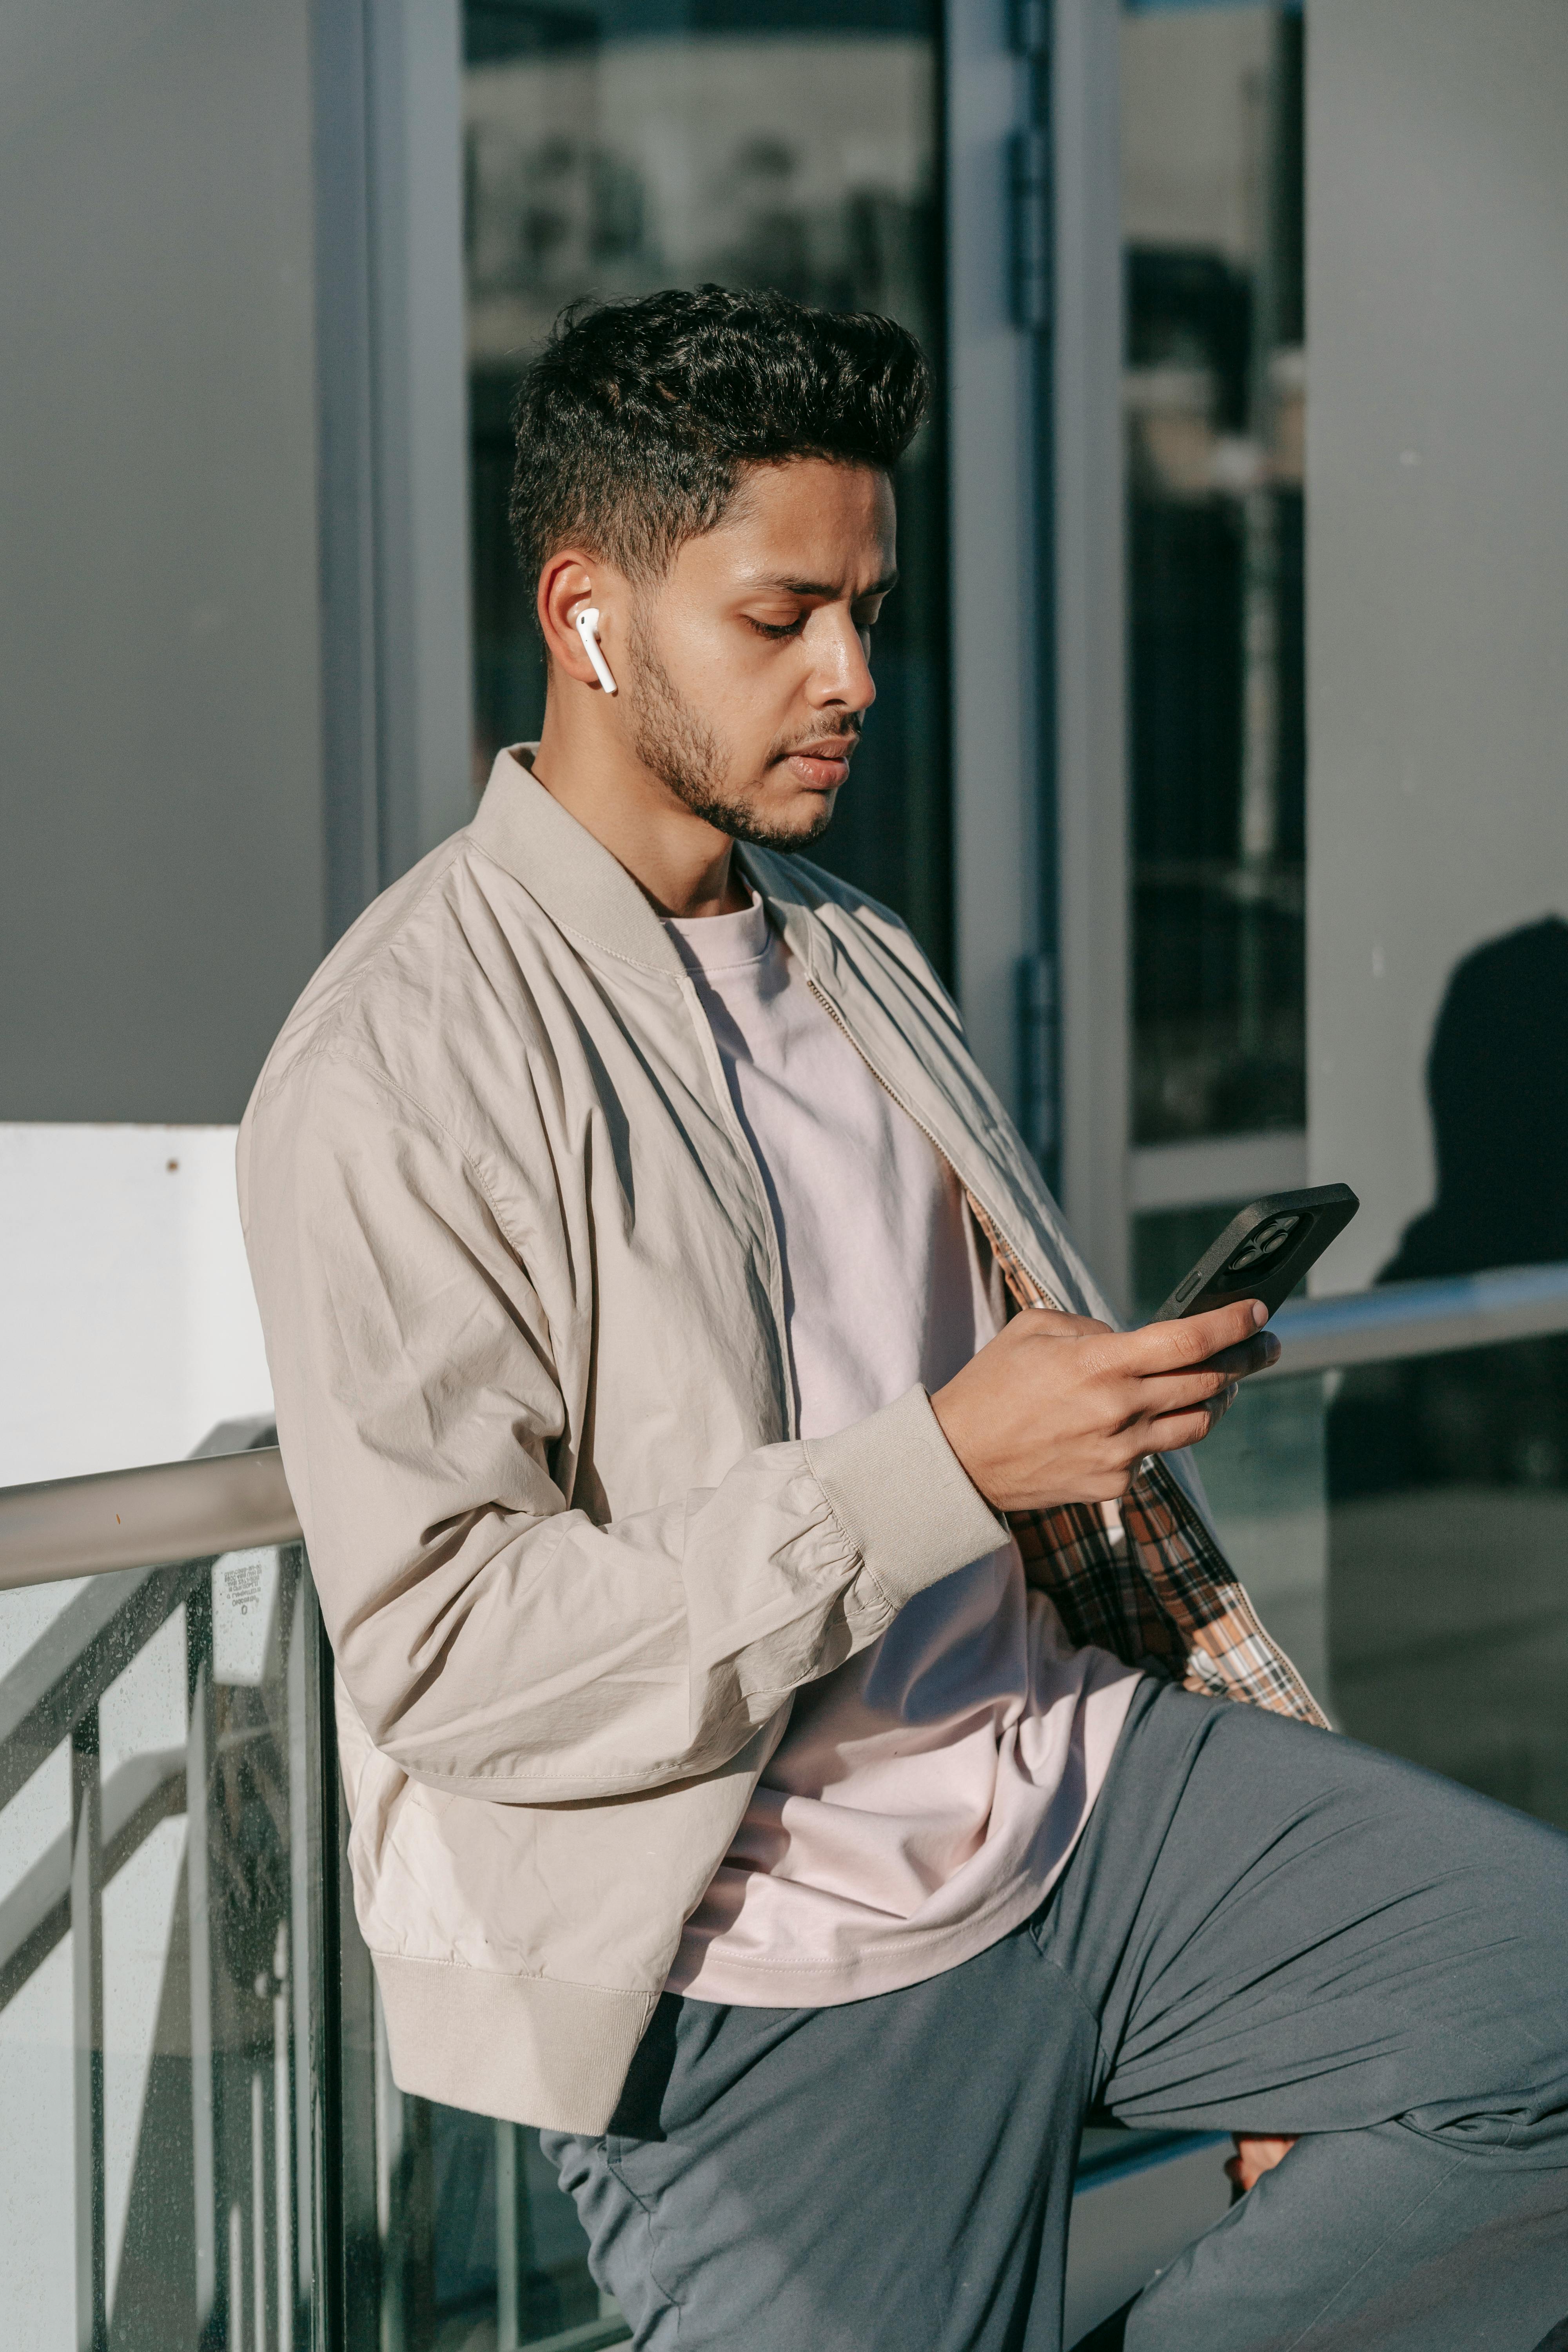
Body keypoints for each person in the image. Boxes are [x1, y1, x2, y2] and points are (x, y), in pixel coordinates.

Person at [239, 288, 1568, 2350]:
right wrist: (944, 1468)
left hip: (1088, 1801)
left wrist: (1094, 1412)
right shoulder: (403, 1055)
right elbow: (450, 1651)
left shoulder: (854, 948)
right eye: (783, 618)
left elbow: (951, 1414)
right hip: (753, 1967)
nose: (855, 676)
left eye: (869, 606)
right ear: (587, 612)